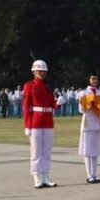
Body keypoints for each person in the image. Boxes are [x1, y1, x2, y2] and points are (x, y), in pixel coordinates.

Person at [23, 59, 59, 189]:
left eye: (44, 71)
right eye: (40, 71)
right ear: (34, 72)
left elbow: (52, 105)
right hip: (36, 122)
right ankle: (36, 175)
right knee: (36, 151)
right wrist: (27, 125)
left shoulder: (48, 86)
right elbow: (26, 106)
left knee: (47, 151)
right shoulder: (29, 86)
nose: (42, 73)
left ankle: (45, 175)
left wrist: (58, 102)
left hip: (48, 121)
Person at [78, 72, 100, 183]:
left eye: (96, 79)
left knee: (95, 151)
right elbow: (81, 110)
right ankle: (89, 175)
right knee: (87, 151)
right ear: (88, 80)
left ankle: (94, 174)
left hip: (98, 123)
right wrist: (86, 104)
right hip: (88, 123)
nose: (95, 81)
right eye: (93, 78)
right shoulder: (83, 93)